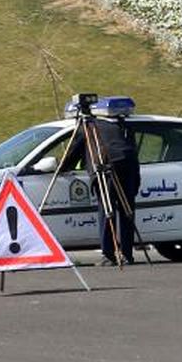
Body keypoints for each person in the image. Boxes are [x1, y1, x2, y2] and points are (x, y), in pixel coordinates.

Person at [62, 112, 141, 266]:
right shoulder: (118, 124)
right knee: (127, 211)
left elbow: (72, 154)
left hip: (107, 167)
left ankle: (109, 255)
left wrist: (61, 167)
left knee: (107, 210)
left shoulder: (86, 127)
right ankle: (127, 254)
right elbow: (133, 151)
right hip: (128, 167)